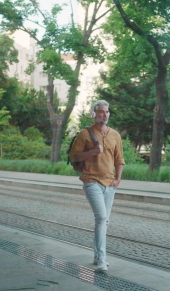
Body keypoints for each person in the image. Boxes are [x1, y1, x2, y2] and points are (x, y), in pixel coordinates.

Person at [69, 100, 125, 272]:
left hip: (110, 183)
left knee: (104, 221)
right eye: (101, 112)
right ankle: (102, 259)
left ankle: (96, 255)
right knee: (101, 218)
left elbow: (119, 159)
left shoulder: (115, 135)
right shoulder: (84, 134)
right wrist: (92, 152)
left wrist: (118, 180)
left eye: (107, 112)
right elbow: (73, 157)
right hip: (92, 181)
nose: (105, 115)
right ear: (94, 114)